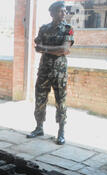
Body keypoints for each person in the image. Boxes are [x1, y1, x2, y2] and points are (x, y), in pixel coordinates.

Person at [27, 1, 74, 145]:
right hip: (44, 71)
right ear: (52, 13)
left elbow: (64, 50)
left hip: (59, 72)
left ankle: (61, 132)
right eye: (60, 11)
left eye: (64, 11)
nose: (63, 13)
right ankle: (39, 127)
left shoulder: (68, 29)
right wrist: (53, 48)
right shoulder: (44, 28)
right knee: (40, 99)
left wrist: (45, 49)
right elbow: (36, 47)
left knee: (61, 101)